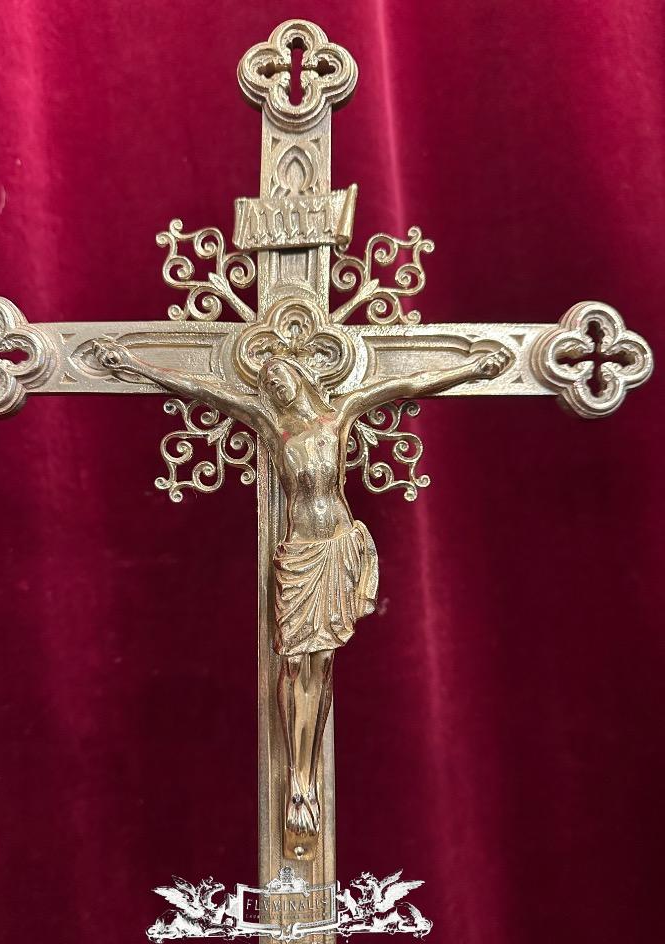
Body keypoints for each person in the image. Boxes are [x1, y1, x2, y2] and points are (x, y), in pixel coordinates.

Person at [94, 337, 511, 849]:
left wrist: (473, 368)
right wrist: (134, 364)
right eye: (268, 382)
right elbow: (200, 388)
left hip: (336, 550)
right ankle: (297, 776)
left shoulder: (341, 414)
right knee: (294, 665)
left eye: (281, 376)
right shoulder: (271, 425)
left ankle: (305, 778)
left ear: (300, 376)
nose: (276, 386)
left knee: (322, 664)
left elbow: (407, 382)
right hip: (299, 557)